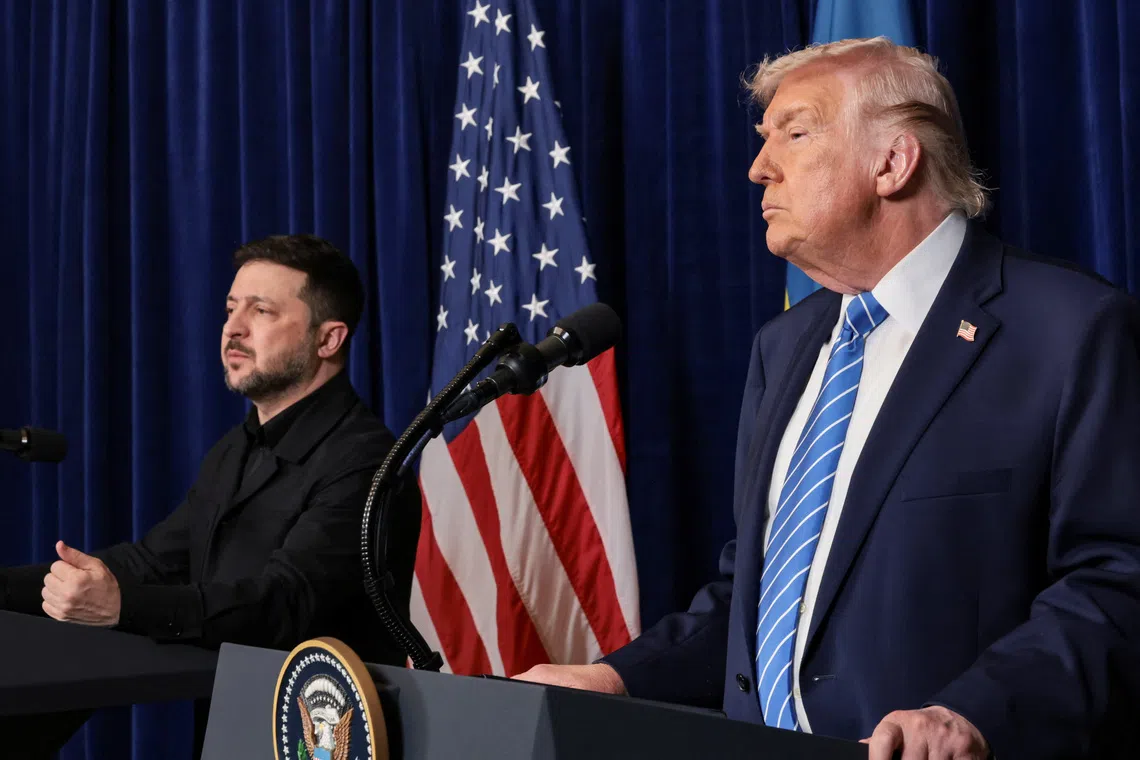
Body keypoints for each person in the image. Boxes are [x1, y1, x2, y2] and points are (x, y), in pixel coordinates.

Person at [516, 37, 1140, 760]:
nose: (759, 167)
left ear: (893, 162)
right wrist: (615, 678)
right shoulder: (782, 349)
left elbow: (1118, 581)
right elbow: (753, 597)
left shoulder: (1068, 330)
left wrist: (974, 714)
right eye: (763, 140)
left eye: (796, 133)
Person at [0, 234, 421, 668]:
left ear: (328, 340)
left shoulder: (366, 461)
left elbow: (285, 605)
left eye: (261, 311)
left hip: (325, 730)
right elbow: (152, 563)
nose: (233, 328)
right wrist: (6, 591)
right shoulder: (234, 448)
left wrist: (122, 607)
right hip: (227, 721)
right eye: (230, 308)